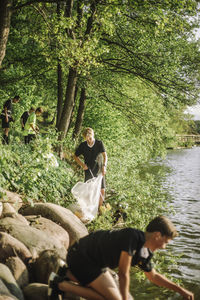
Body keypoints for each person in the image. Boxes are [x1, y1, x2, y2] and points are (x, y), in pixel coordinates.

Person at [48, 216, 194, 300]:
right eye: (166, 242)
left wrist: (180, 290)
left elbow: (153, 277)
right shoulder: (132, 236)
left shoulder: (145, 252)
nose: (164, 247)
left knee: (110, 295)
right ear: (157, 235)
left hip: (95, 264)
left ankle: (66, 273)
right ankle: (60, 284)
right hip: (81, 256)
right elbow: (123, 273)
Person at [73, 127, 107, 208]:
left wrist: (104, 166)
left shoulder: (99, 143)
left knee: (102, 190)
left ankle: (99, 209)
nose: (89, 140)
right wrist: (82, 165)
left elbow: (105, 155)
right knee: (89, 190)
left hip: (99, 170)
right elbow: (75, 156)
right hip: (88, 170)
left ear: (93, 135)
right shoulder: (83, 145)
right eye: (87, 139)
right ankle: (88, 207)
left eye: (90, 138)